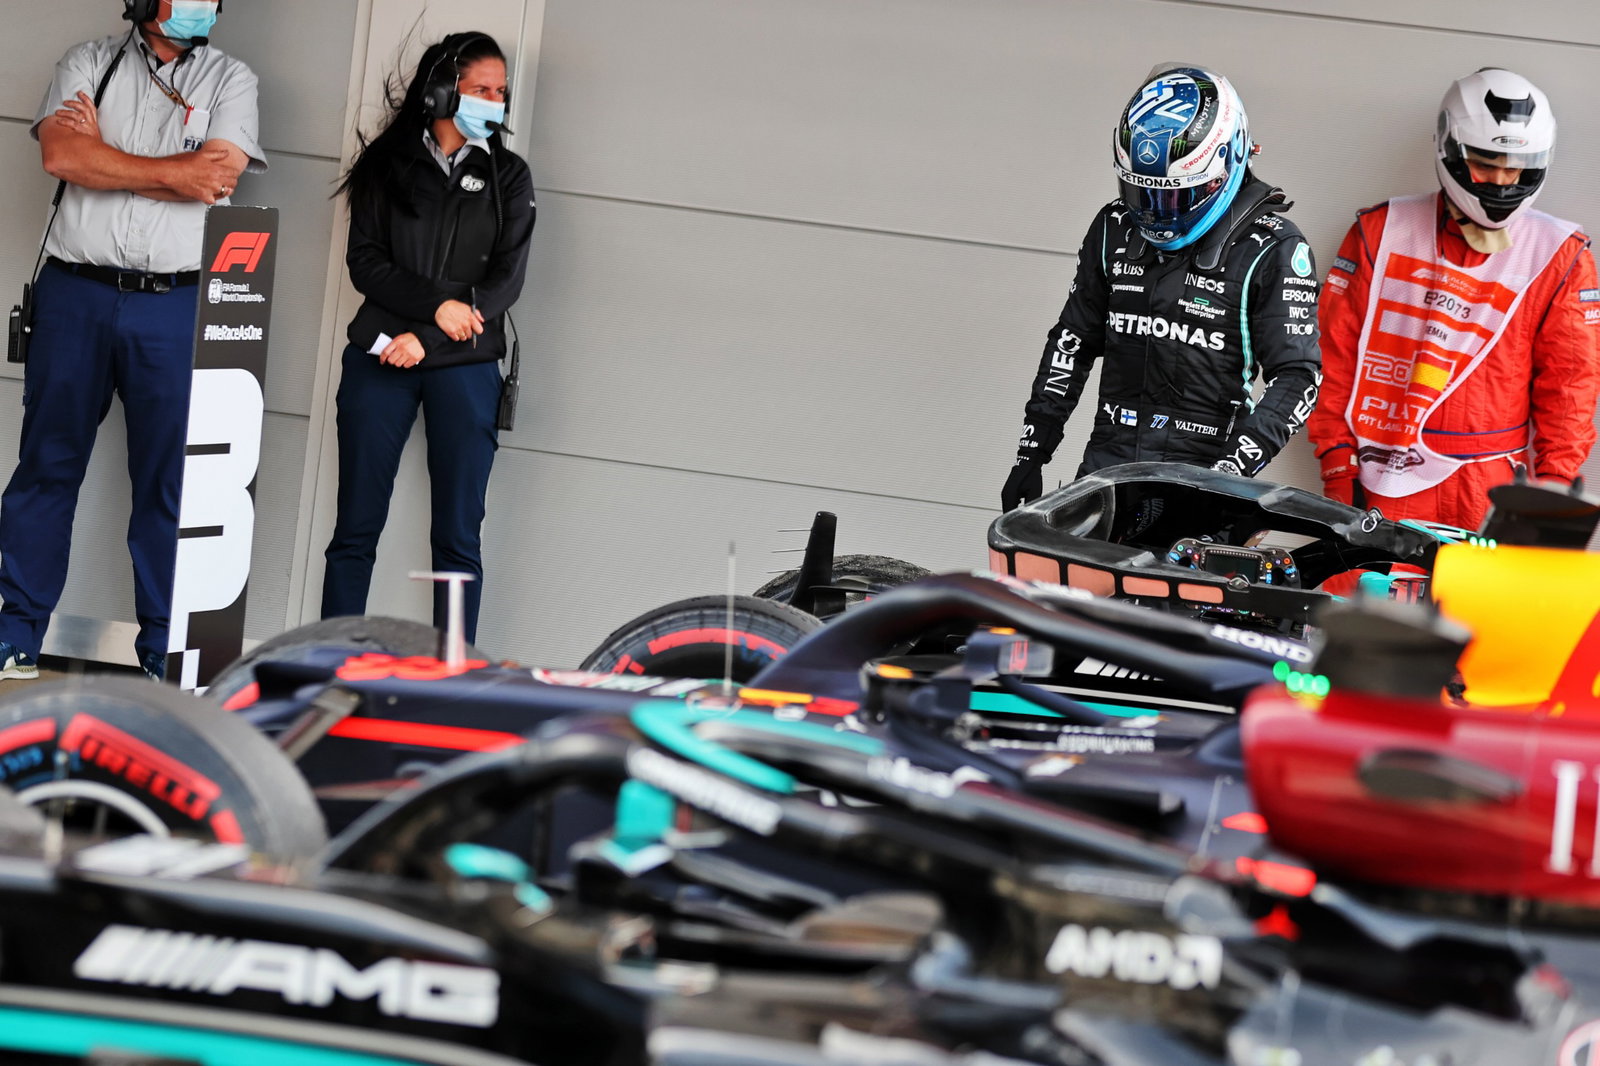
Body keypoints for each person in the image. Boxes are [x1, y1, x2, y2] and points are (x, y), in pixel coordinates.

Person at [0, 0, 262, 681]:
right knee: (46, 469)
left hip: (173, 307)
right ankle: (15, 637)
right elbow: (61, 154)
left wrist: (104, 156)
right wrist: (174, 169)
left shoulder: (231, 80)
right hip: (75, 295)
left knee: (169, 484)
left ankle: (160, 656)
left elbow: (219, 177)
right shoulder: (87, 63)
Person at [1001, 65, 1321, 512]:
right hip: (1105, 475)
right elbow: (1072, 340)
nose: (1155, 212)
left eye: (1175, 196)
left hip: (1203, 484)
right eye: (1142, 194)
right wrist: (1033, 448)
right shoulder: (1114, 226)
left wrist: (1229, 475)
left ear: (1227, 164)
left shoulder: (1274, 248)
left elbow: (1298, 378)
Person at [1308, 68, 1600, 531]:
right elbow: (1332, 358)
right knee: (1366, 604)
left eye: (1516, 166)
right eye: (1487, 163)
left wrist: (1553, 490)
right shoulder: (1381, 231)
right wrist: (1338, 465)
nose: (1503, 181)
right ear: (1451, 150)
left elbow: (1569, 389)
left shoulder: (1559, 253)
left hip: (1494, 487)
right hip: (1382, 478)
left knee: (1485, 606)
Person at [320, 31, 535, 645]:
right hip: (379, 356)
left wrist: (430, 339)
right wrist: (435, 310)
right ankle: (332, 662)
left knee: (458, 539)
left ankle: (453, 677)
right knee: (355, 528)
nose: (495, 101)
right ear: (443, 91)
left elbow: (504, 284)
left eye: (501, 91)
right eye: (481, 89)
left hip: (464, 367)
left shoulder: (510, 177)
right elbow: (367, 263)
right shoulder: (387, 166)